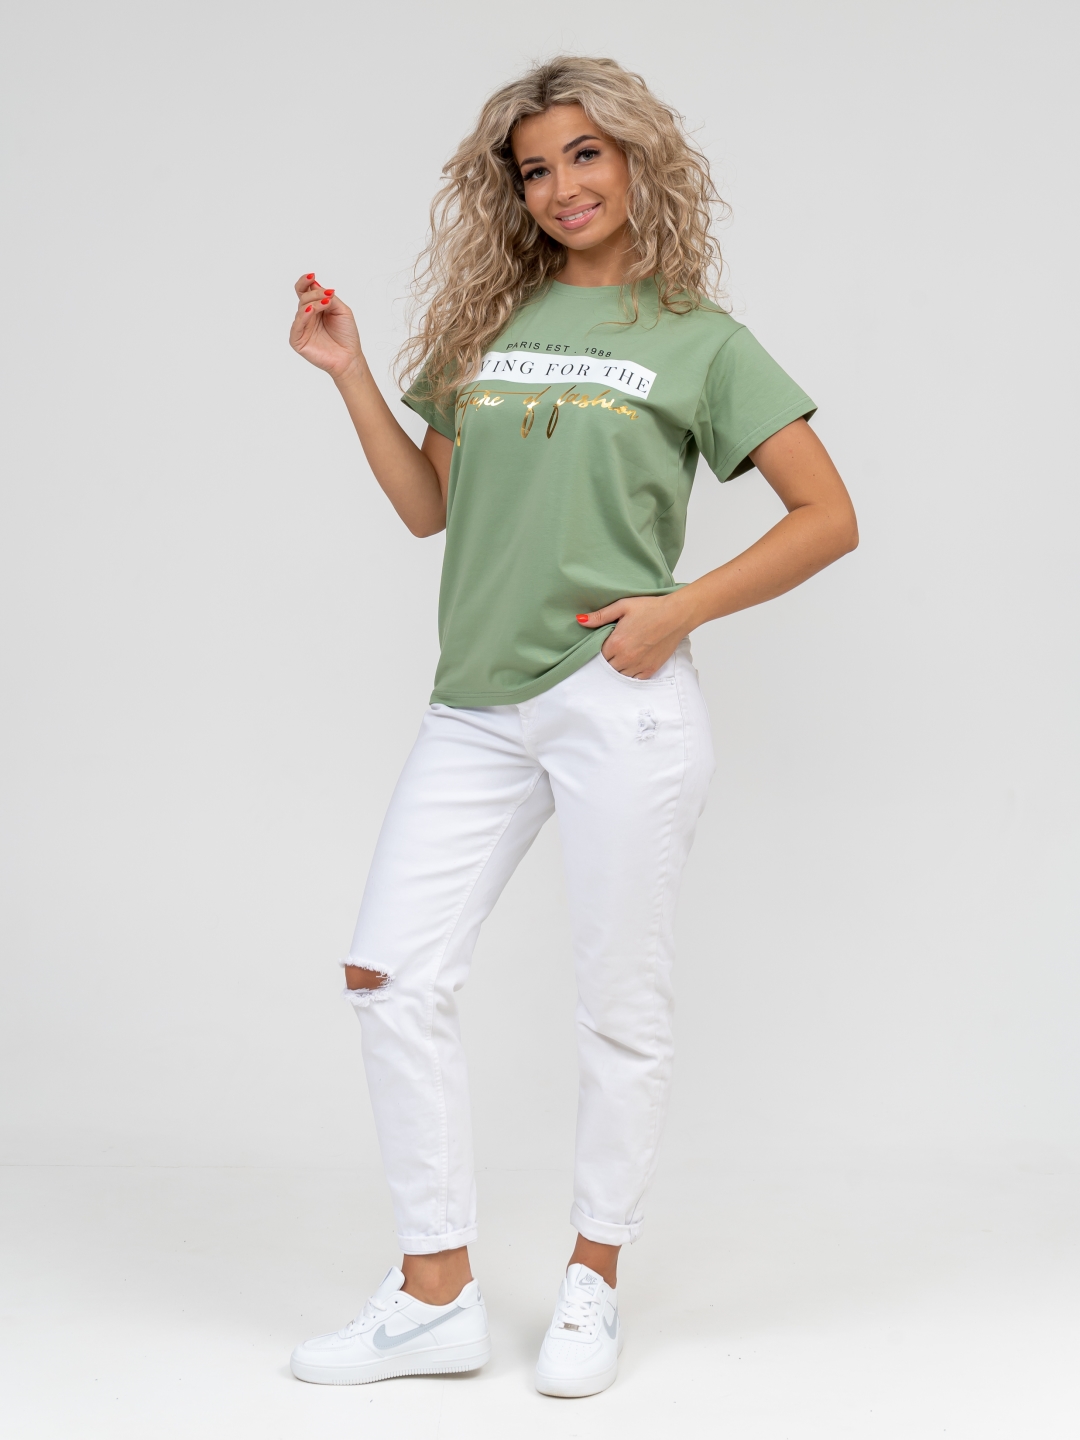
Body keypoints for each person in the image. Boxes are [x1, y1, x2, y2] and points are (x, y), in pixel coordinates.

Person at [286, 55, 857, 1398]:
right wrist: (351, 373)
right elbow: (429, 511)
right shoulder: (486, 323)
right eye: (535, 169)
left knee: (618, 1003)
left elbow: (829, 516)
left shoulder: (701, 340)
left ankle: (593, 1278)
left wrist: (679, 610)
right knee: (391, 973)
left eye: (585, 155)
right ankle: (435, 1297)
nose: (561, 187)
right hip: (476, 702)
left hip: (619, 697)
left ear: (641, 160)